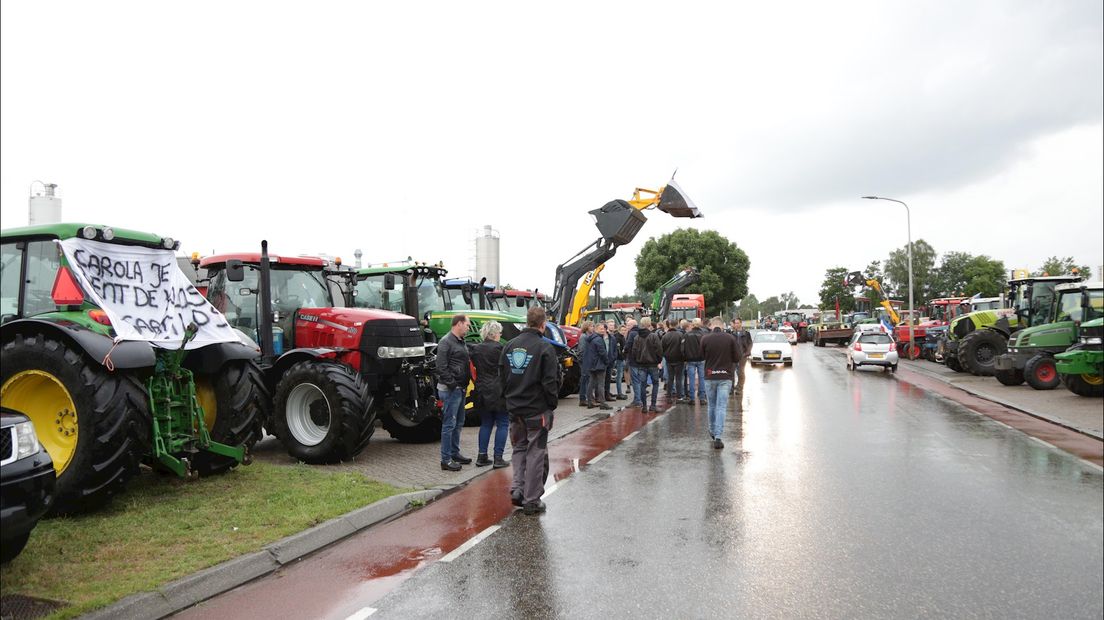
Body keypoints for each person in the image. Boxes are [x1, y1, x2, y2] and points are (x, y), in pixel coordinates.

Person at [501, 306, 560, 515]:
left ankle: (518, 489)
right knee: (536, 452)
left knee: (519, 449)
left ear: (526, 322)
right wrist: (551, 404)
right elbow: (550, 382)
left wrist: (507, 400)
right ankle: (532, 499)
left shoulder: (509, 346)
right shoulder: (545, 348)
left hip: (515, 408)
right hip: (537, 409)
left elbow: (503, 377)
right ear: (543, 324)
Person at [436, 314, 472, 470]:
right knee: (449, 424)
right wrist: (453, 385)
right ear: (459, 324)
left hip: (460, 388)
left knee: (458, 423)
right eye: (467, 325)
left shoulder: (460, 341)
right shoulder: (445, 342)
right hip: (451, 390)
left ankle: (454, 453)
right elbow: (441, 367)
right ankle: (446, 459)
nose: (469, 328)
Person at [472, 321, 509, 469]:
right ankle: (498, 458)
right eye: (499, 332)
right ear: (494, 334)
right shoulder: (501, 349)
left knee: (486, 423)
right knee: (503, 423)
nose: (500, 335)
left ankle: (482, 456)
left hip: (481, 389)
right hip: (498, 390)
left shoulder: (476, 349)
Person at [702, 317, 742, 449]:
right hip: (725, 376)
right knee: (721, 407)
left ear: (711, 325)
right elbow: (737, 357)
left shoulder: (705, 339)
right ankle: (718, 436)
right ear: (722, 325)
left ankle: (712, 431)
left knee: (711, 406)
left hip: (710, 376)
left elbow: (701, 355)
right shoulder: (730, 338)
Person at [630, 317, 663, 412]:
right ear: (649, 324)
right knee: (655, 384)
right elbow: (659, 350)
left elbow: (634, 351)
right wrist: (658, 360)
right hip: (652, 363)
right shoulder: (653, 336)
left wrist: (637, 360)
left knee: (642, 385)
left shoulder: (637, 337)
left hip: (641, 364)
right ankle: (653, 405)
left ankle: (644, 406)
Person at [584, 322, 612, 410]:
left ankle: (590, 401)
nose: (603, 330)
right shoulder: (599, 339)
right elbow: (602, 353)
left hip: (591, 364)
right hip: (599, 364)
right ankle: (603, 403)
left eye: (603, 329)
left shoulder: (590, 339)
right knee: (601, 384)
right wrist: (607, 361)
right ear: (596, 329)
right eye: (601, 329)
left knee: (591, 383)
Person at [661, 319, 688, 402]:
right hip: (679, 359)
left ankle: (669, 396)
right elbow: (683, 348)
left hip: (669, 359)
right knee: (679, 379)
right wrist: (684, 358)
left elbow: (662, 348)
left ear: (669, 325)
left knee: (670, 378)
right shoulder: (680, 335)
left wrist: (665, 356)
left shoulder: (665, 336)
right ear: (676, 325)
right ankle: (679, 396)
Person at [683, 319, 707, 405]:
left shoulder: (687, 335)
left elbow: (683, 348)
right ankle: (702, 398)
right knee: (702, 378)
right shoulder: (703, 334)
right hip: (701, 359)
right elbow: (706, 347)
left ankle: (692, 398)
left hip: (690, 359)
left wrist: (685, 358)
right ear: (700, 324)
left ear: (692, 325)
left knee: (691, 379)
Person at [731, 318, 753, 396]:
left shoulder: (746, 333)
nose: (736, 324)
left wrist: (747, 353)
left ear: (741, 323)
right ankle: (731, 388)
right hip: (733, 356)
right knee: (731, 372)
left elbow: (750, 343)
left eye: (738, 323)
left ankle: (739, 389)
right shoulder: (731, 333)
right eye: (735, 323)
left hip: (742, 355)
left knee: (740, 372)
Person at [623, 318, 642, 406]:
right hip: (642, 359)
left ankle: (637, 400)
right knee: (641, 379)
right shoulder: (642, 332)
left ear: (632, 325)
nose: (627, 327)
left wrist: (625, 351)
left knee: (635, 380)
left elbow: (628, 345)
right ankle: (641, 399)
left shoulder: (632, 333)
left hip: (633, 359)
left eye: (628, 325)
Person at [608, 321, 628, 400]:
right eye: (622, 330)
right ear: (619, 330)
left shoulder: (620, 337)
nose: (623, 331)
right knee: (618, 377)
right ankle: (619, 393)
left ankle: (617, 392)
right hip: (619, 359)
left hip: (619, 358)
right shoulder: (618, 337)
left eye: (624, 330)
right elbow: (618, 349)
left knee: (618, 377)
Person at [576, 321, 594, 407]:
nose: (593, 328)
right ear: (587, 327)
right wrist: (584, 361)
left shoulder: (588, 336)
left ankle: (587, 397)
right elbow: (582, 351)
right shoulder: (584, 337)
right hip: (584, 362)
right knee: (584, 379)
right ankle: (583, 398)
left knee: (587, 379)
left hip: (587, 361)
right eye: (591, 326)